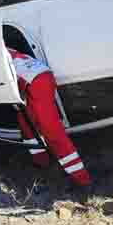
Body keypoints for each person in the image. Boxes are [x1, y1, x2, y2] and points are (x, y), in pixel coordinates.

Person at [8, 47, 92, 187]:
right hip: (37, 76)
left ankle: (82, 180)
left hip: (37, 81)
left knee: (52, 131)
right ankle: (41, 163)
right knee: (27, 125)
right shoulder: (3, 49)